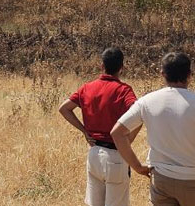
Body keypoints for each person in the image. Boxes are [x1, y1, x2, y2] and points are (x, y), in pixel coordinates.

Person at [111, 52, 195, 206]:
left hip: (161, 181)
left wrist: (137, 166)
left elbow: (117, 133)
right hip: (194, 180)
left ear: (162, 73)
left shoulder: (147, 101)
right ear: (189, 75)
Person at [59, 47, 140, 206]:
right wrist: (128, 138)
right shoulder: (123, 90)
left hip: (94, 153)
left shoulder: (87, 88)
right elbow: (139, 112)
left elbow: (64, 109)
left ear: (101, 66)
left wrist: (84, 131)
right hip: (116, 155)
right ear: (122, 67)